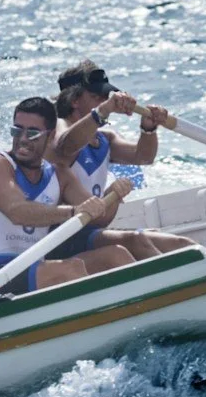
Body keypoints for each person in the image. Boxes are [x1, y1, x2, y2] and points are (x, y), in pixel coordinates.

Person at [0, 96, 136, 292]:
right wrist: (72, 212)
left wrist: (112, 194)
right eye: (17, 130)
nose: (23, 139)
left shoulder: (60, 174)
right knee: (70, 269)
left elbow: (100, 217)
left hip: (35, 267)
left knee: (116, 255)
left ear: (50, 137)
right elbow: (18, 212)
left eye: (32, 133)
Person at [51, 61, 196, 257]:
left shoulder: (105, 139)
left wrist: (148, 128)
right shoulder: (58, 127)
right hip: (60, 237)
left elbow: (143, 157)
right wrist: (103, 111)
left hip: (90, 230)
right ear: (74, 100)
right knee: (136, 240)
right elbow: (66, 145)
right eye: (96, 97)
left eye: (105, 96)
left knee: (181, 244)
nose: (103, 101)